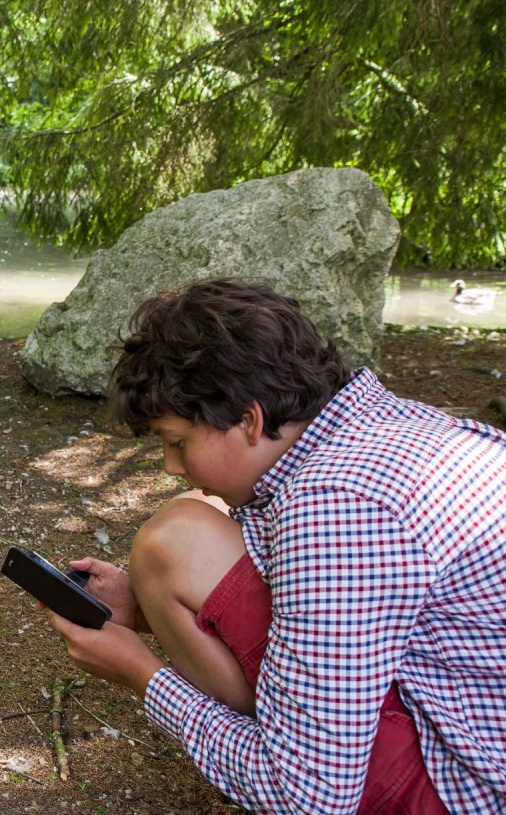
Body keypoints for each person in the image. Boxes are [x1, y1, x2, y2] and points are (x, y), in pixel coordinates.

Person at [46, 277, 506, 813]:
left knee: (174, 537)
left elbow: (308, 799)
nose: (171, 467)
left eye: (177, 443)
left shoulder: (337, 508)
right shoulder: (386, 427)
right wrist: (146, 606)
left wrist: (145, 677)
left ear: (249, 419)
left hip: (461, 785)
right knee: (202, 516)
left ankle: (268, 747)